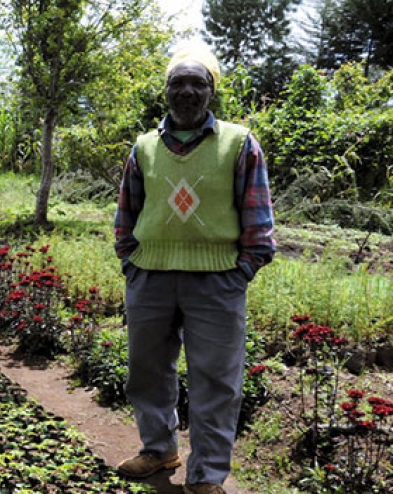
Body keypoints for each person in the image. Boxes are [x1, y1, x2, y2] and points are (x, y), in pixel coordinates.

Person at [113, 44, 276, 494]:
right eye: (177, 83)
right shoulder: (144, 147)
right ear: (166, 91)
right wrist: (128, 258)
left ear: (211, 91)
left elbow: (258, 218)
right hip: (150, 276)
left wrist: (242, 270)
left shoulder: (239, 143)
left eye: (197, 83)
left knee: (216, 381)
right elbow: (127, 210)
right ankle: (158, 448)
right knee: (146, 370)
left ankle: (205, 476)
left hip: (217, 281)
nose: (186, 91)